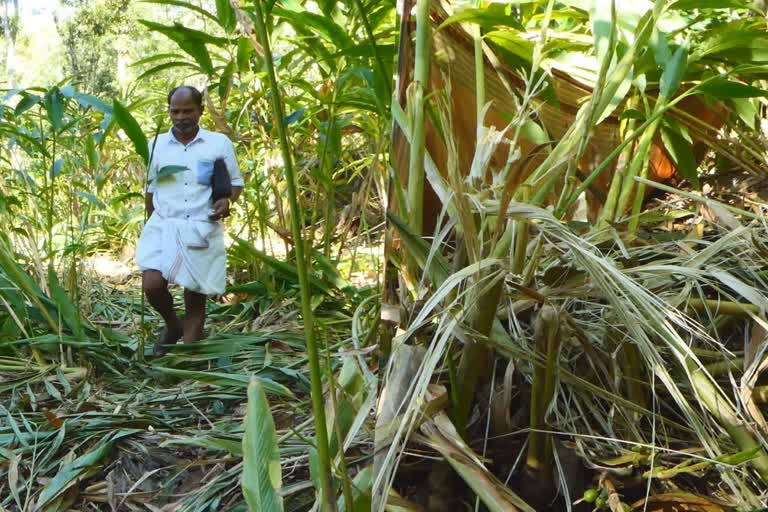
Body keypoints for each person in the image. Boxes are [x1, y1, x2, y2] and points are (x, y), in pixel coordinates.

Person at [136, 85, 244, 355]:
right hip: (164, 223)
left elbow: (235, 184)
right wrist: (150, 223)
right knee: (152, 284)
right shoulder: (156, 145)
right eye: (175, 111)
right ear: (169, 111)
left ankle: (187, 352)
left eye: (188, 111)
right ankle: (173, 325)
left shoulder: (218, 144)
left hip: (201, 225)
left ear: (200, 111)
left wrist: (226, 200)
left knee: (195, 294)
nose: (181, 117)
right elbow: (152, 188)